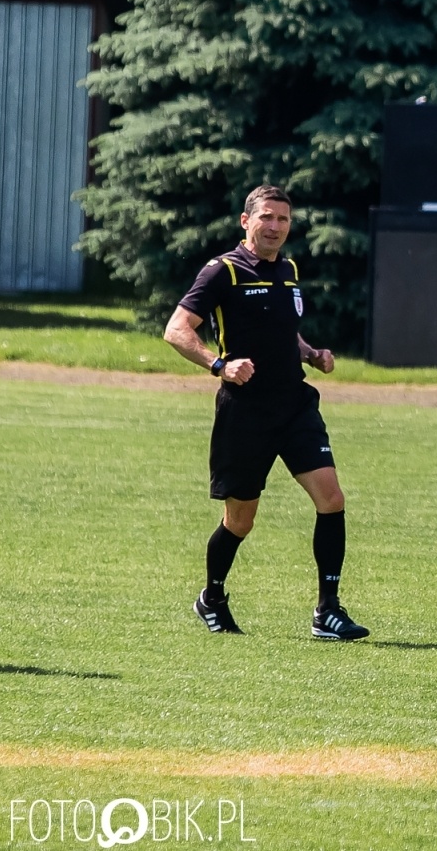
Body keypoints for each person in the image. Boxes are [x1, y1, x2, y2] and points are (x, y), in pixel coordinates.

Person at [163, 184, 368, 640]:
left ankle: (327, 611)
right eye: (267, 218)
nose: (275, 227)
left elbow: (282, 331)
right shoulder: (223, 271)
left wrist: (311, 353)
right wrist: (220, 365)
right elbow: (176, 330)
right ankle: (212, 596)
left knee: (331, 499)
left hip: (294, 405)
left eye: (283, 220)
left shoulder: (289, 269)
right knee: (241, 520)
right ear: (246, 221)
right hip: (246, 413)